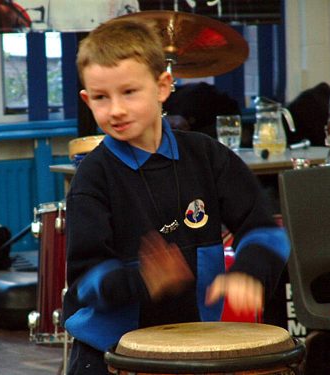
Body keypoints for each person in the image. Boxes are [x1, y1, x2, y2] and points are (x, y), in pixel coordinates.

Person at [62, 17, 290, 375]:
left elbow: (264, 229)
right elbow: (87, 279)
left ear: (163, 86)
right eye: (102, 98)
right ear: (86, 99)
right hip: (107, 354)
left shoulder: (206, 155)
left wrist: (249, 271)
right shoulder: (93, 177)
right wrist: (143, 279)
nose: (116, 109)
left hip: (194, 342)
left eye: (129, 92)